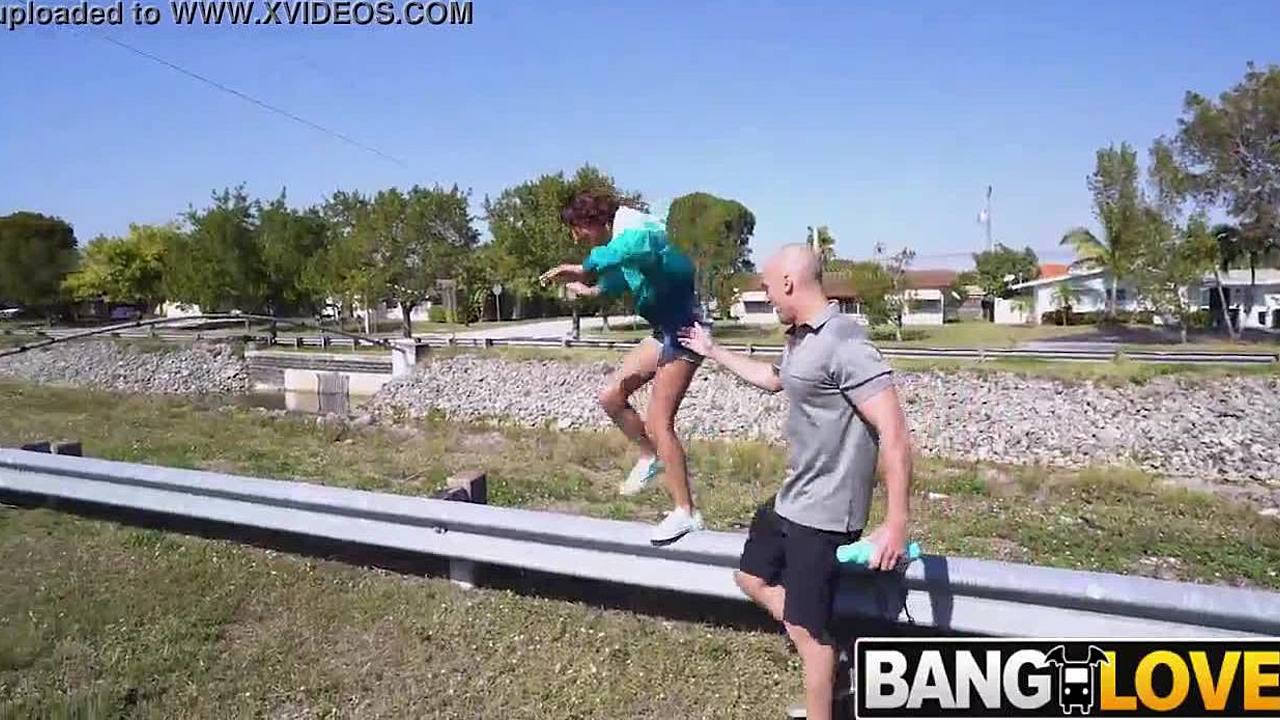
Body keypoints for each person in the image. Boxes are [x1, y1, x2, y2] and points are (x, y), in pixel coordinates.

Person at [679, 244, 914, 720]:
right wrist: (713, 350)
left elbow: (894, 431)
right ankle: (823, 647)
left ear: (788, 282)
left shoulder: (845, 342)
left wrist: (895, 524)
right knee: (750, 577)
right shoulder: (801, 339)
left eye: (767, 288)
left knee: (809, 638)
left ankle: (823, 668)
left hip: (826, 513)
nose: (767, 297)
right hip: (793, 499)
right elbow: (774, 379)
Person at [539, 190, 706, 546]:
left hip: (686, 331)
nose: (578, 239)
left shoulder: (635, 227)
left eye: (578, 230)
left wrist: (585, 266)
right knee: (610, 395)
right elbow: (626, 275)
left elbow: (635, 248)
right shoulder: (623, 239)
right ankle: (649, 455)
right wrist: (592, 289)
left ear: (593, 220)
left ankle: (686, 512)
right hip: (663, 331)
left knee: (659, 423)